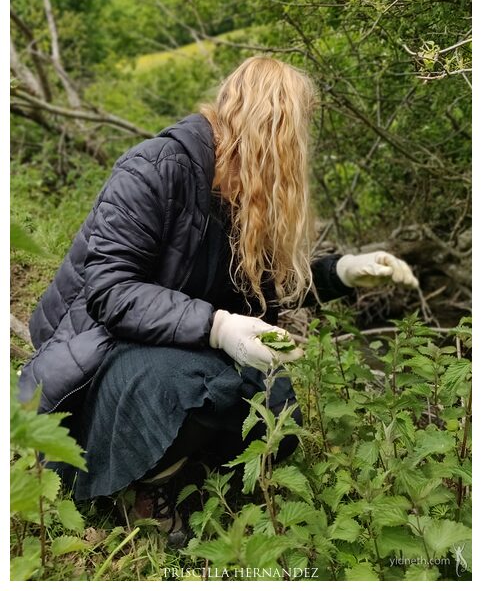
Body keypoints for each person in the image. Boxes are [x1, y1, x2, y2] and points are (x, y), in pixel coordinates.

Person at [17, 56, 418, 545]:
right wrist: (220, 326)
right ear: (268, 126)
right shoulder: (156, 168)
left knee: (275, 399)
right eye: (295, 131)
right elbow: (109, 291)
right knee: (181, 383)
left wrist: (344, 271)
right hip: (95, 359)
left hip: (164, 347)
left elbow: (272, 285)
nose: (299, 147)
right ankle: (140, 489)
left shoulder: (240, 194)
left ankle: (181, 468)